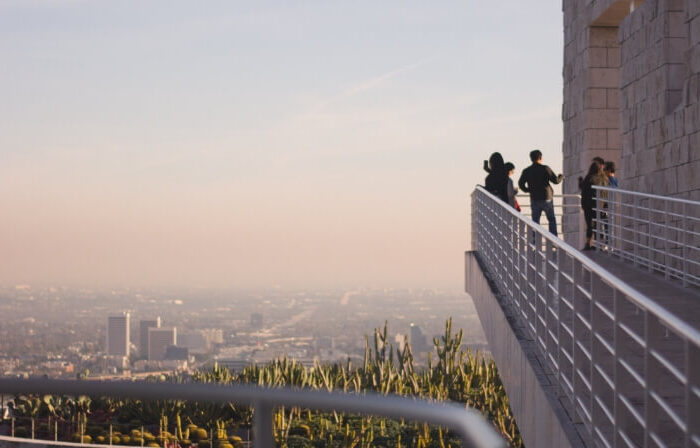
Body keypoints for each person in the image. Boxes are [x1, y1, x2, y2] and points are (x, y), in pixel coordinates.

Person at [518, 150, 564, 235]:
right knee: (551, 219)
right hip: (547, 197)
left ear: (531, 158)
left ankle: (535, 240)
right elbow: (556, 181)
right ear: (540, 157)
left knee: (535, 222)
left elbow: (521, 184)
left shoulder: (527, 170)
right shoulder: (545, 168)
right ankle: (553, 239)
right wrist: (561, 176)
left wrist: (528, 190)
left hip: (535, 198)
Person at [579, 161, 609, 250]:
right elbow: (606, 193)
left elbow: (584, 191)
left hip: (589, 205)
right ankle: (599, 244)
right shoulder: (604, 179)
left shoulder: (589, 178)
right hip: (600, 205)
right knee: (598, 224)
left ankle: (588, 243)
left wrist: (583, 205)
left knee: (590, 225)